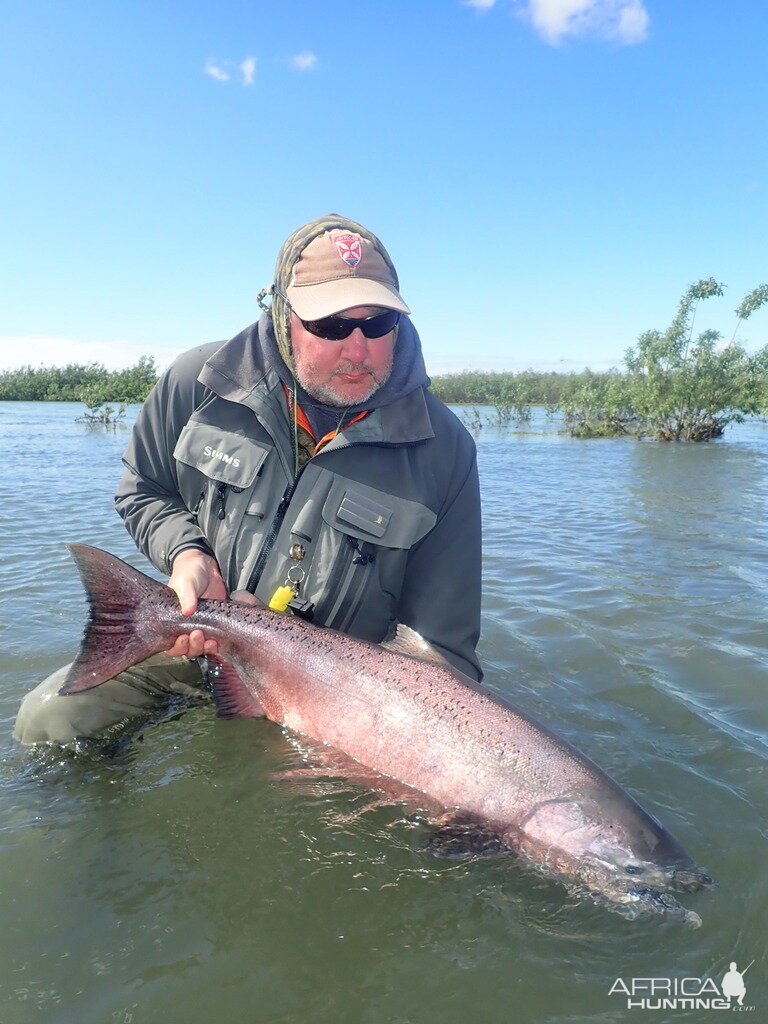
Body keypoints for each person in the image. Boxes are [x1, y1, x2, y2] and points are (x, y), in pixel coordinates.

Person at [14, 214, 482, 746]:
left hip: (339, 690)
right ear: (282, 314)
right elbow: (142, 486)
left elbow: (442, 650)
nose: (357, 349)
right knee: (48, 722)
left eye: (377, 324)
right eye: (329, 325)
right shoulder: (198, 381)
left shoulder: (445, 450)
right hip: (194, 642)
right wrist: (187, 555)